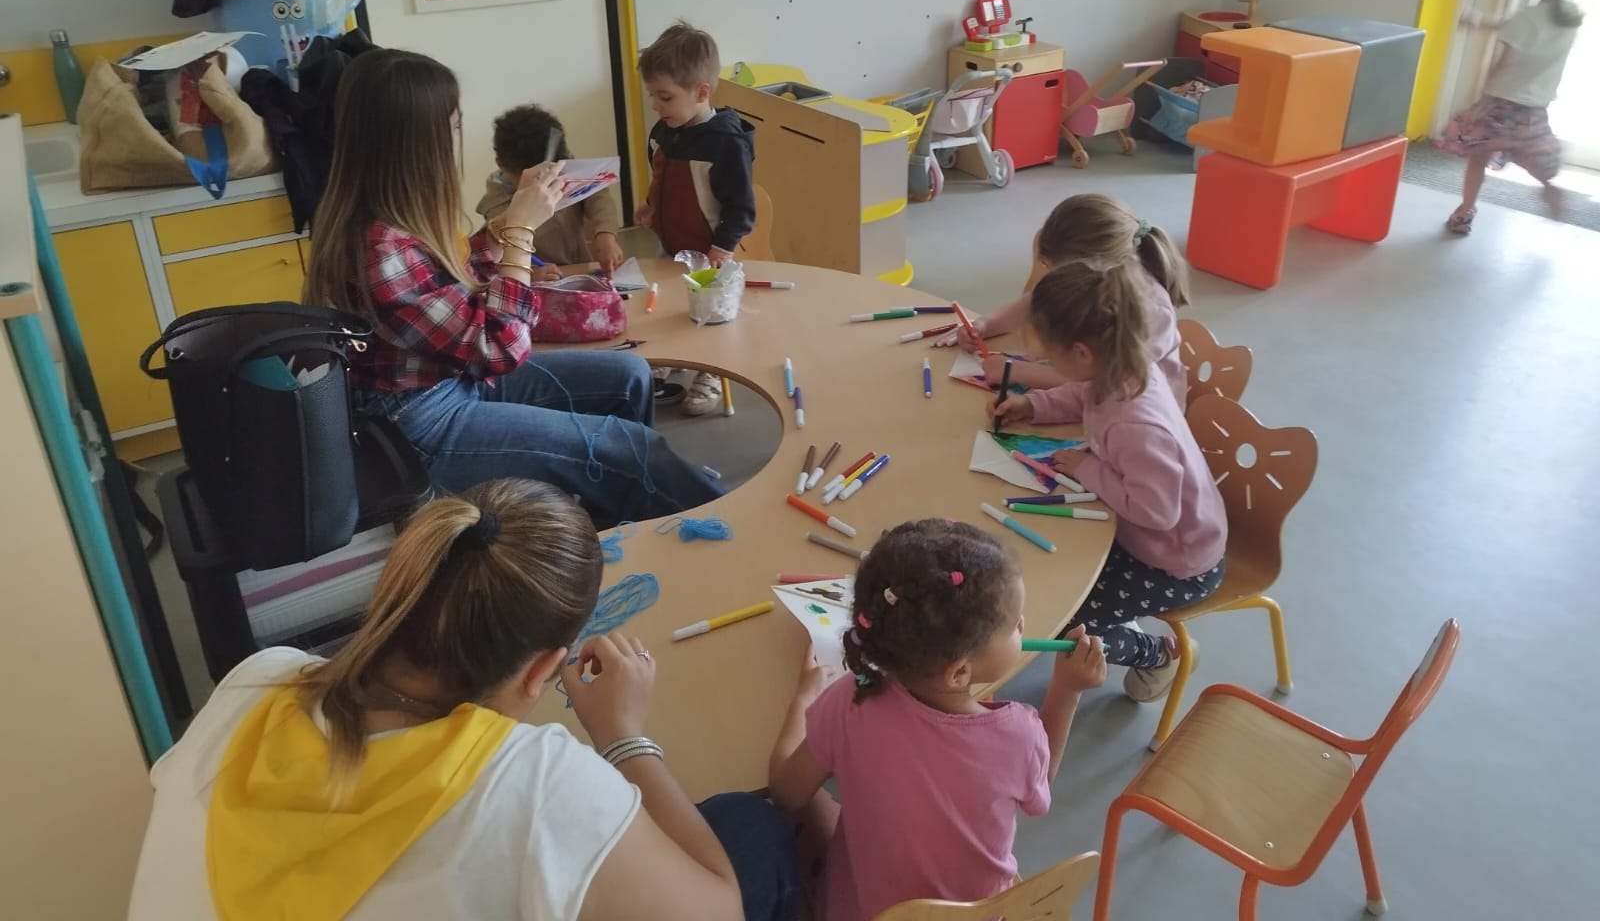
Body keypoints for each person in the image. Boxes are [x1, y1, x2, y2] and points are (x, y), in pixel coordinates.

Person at [129, 479, 799, 920]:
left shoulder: (258, 679)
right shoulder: (538, 782)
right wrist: (623, 737)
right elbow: (721, 910)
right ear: (545, 669)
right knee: (751, 827)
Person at [301, 47, 720, 527]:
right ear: (417, 143)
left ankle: (614, 519)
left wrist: (503, 232)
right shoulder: (378, 246)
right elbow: (502, 348)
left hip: (455, 379)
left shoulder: (399, 218)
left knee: (629, 376)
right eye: (454, 125)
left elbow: (460, 285)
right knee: (631, 448)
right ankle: (724, 523)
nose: (458, 137)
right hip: (420, 418)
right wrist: (520, 233)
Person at [767, 519, 1107, 921]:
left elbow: (786, 792)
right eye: (1015, 623)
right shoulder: (1018, 734)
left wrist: (804, 697)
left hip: (864, 913)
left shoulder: (851, 698)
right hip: (979, 916)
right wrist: (1066, 691)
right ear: (959, 672)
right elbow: (1040, 788)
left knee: (813, 811)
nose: (1022, 626)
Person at [990, 260, 1226, 702]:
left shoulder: (1136, 425)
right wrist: (1035, 405)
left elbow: (1158, 512)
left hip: (1176, 561)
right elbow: (1081, 394)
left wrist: (1086, 468)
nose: (1047, 362)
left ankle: (1159, 654)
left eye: (1050, 355)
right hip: (1140, 529)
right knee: (1041, 562)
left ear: (1081, 353)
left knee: (1069, 624)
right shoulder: (1119, 368)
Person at [945, 194, 1189, 403]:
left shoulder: (1151, 313)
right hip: (1085, 401)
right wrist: (987, 324)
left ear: (1098, 266)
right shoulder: (1097, 276)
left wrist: (1017, 371)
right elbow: (1034, 302)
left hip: (1133, 416)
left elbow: (1103, 385)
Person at [633, 21, 757, 415]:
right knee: (673, 302)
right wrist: (651, 206)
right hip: (672, 241)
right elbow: (661, 176)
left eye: (665, 97)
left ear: (701, 92)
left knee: (713, 310)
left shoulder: (725, 143)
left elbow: (742, 205)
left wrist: (723, 245)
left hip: (712, 247)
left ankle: (713, 371)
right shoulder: (664, 130)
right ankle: (676, 356)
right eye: (653, 95)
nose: (656, 106)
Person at [1436, 0, 1591, 235]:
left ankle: (1465, 211)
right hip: (1534, 106)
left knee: (1478, 155)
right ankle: (1549, 187)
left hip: (1502, 102)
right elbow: (1520, 26)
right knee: (1527, 153)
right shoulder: (1570, 18)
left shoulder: (1527, 17)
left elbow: (1503, 63)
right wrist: (1481, 21)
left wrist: (1482, 98)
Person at [476, 103, 627, 278]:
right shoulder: (495, 206)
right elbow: (496, 265)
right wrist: (532, 275)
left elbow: (597, 195)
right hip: (538, 282)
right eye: (536, 176)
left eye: (552, 170)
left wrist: (605, 234)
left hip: (580, 269)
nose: (546, 181)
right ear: (502, 165)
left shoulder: (560, 169)